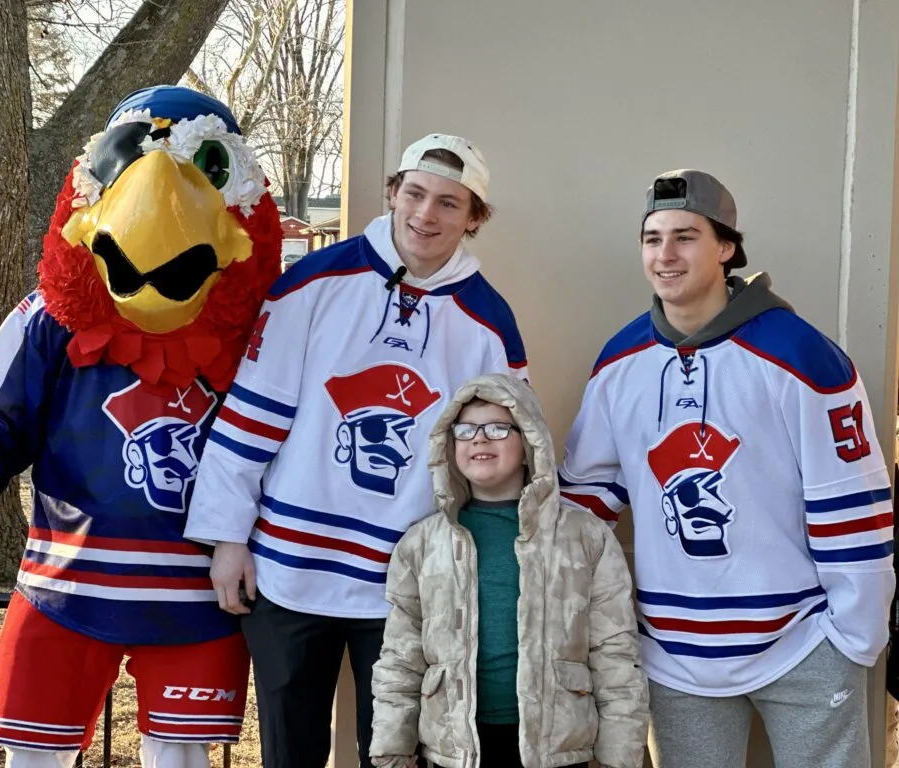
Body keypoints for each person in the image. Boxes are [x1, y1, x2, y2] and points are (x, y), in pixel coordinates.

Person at [0, 85, 282, 768]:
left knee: (179, 757)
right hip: (66, 580)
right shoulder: (50, 314)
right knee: (34, 756)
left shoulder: (262, 327)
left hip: (199, 590)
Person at [185, 134, 529, 768]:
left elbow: (500, 460)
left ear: (474, 218)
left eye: (450, 204)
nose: (426, 215)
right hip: (288, 568)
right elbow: (253, 414)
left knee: (394, 753)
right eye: (416, 194)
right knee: (291, 752)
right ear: (393, 192)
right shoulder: (312, 282)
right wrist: (226, 536)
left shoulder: (489, 322)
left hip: (407, 583)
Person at [559, 169, 894, 768]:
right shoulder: (620, 361)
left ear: (727, 247)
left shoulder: (801, 355)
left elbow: (854, 504)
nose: (665, 255)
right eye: (652, 237)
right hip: (673, 654)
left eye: (685, 236)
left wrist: (852, 638)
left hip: (803, 641)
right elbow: (586, 501)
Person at [369, 373, 648, 768]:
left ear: (529, 441)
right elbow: (400, 657)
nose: (480, 439)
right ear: (448, 446)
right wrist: (391, 750)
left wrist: (621, 755)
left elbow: (615, 652)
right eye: (465, 430)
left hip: (556, 747)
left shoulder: (585, 537)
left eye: (499, 428)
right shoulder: (421, 544)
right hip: (456, 747)